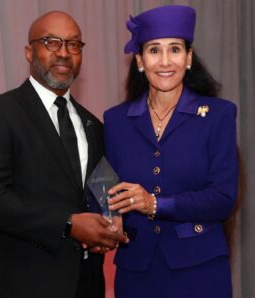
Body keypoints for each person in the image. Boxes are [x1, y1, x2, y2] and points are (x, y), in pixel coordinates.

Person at [0, 11, 128, 298]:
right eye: (51, 42)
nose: (64, 53)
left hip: (85, 284)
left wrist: (108, 224)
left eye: (74, 44)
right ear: (29, 52)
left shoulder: (94, 125)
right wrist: (68, 223)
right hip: (17, 285)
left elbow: (101, 195)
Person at [104, 5, 238, 298]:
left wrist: (155, 205)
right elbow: (107, 191)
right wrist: (107, 219)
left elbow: (223, 198)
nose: (165, 61)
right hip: (136, 271)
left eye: (175, 49)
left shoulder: (218, 115)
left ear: (188, 58)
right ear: (139, 60)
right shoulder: (116, 120)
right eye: (154, 50)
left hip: (199, 270)